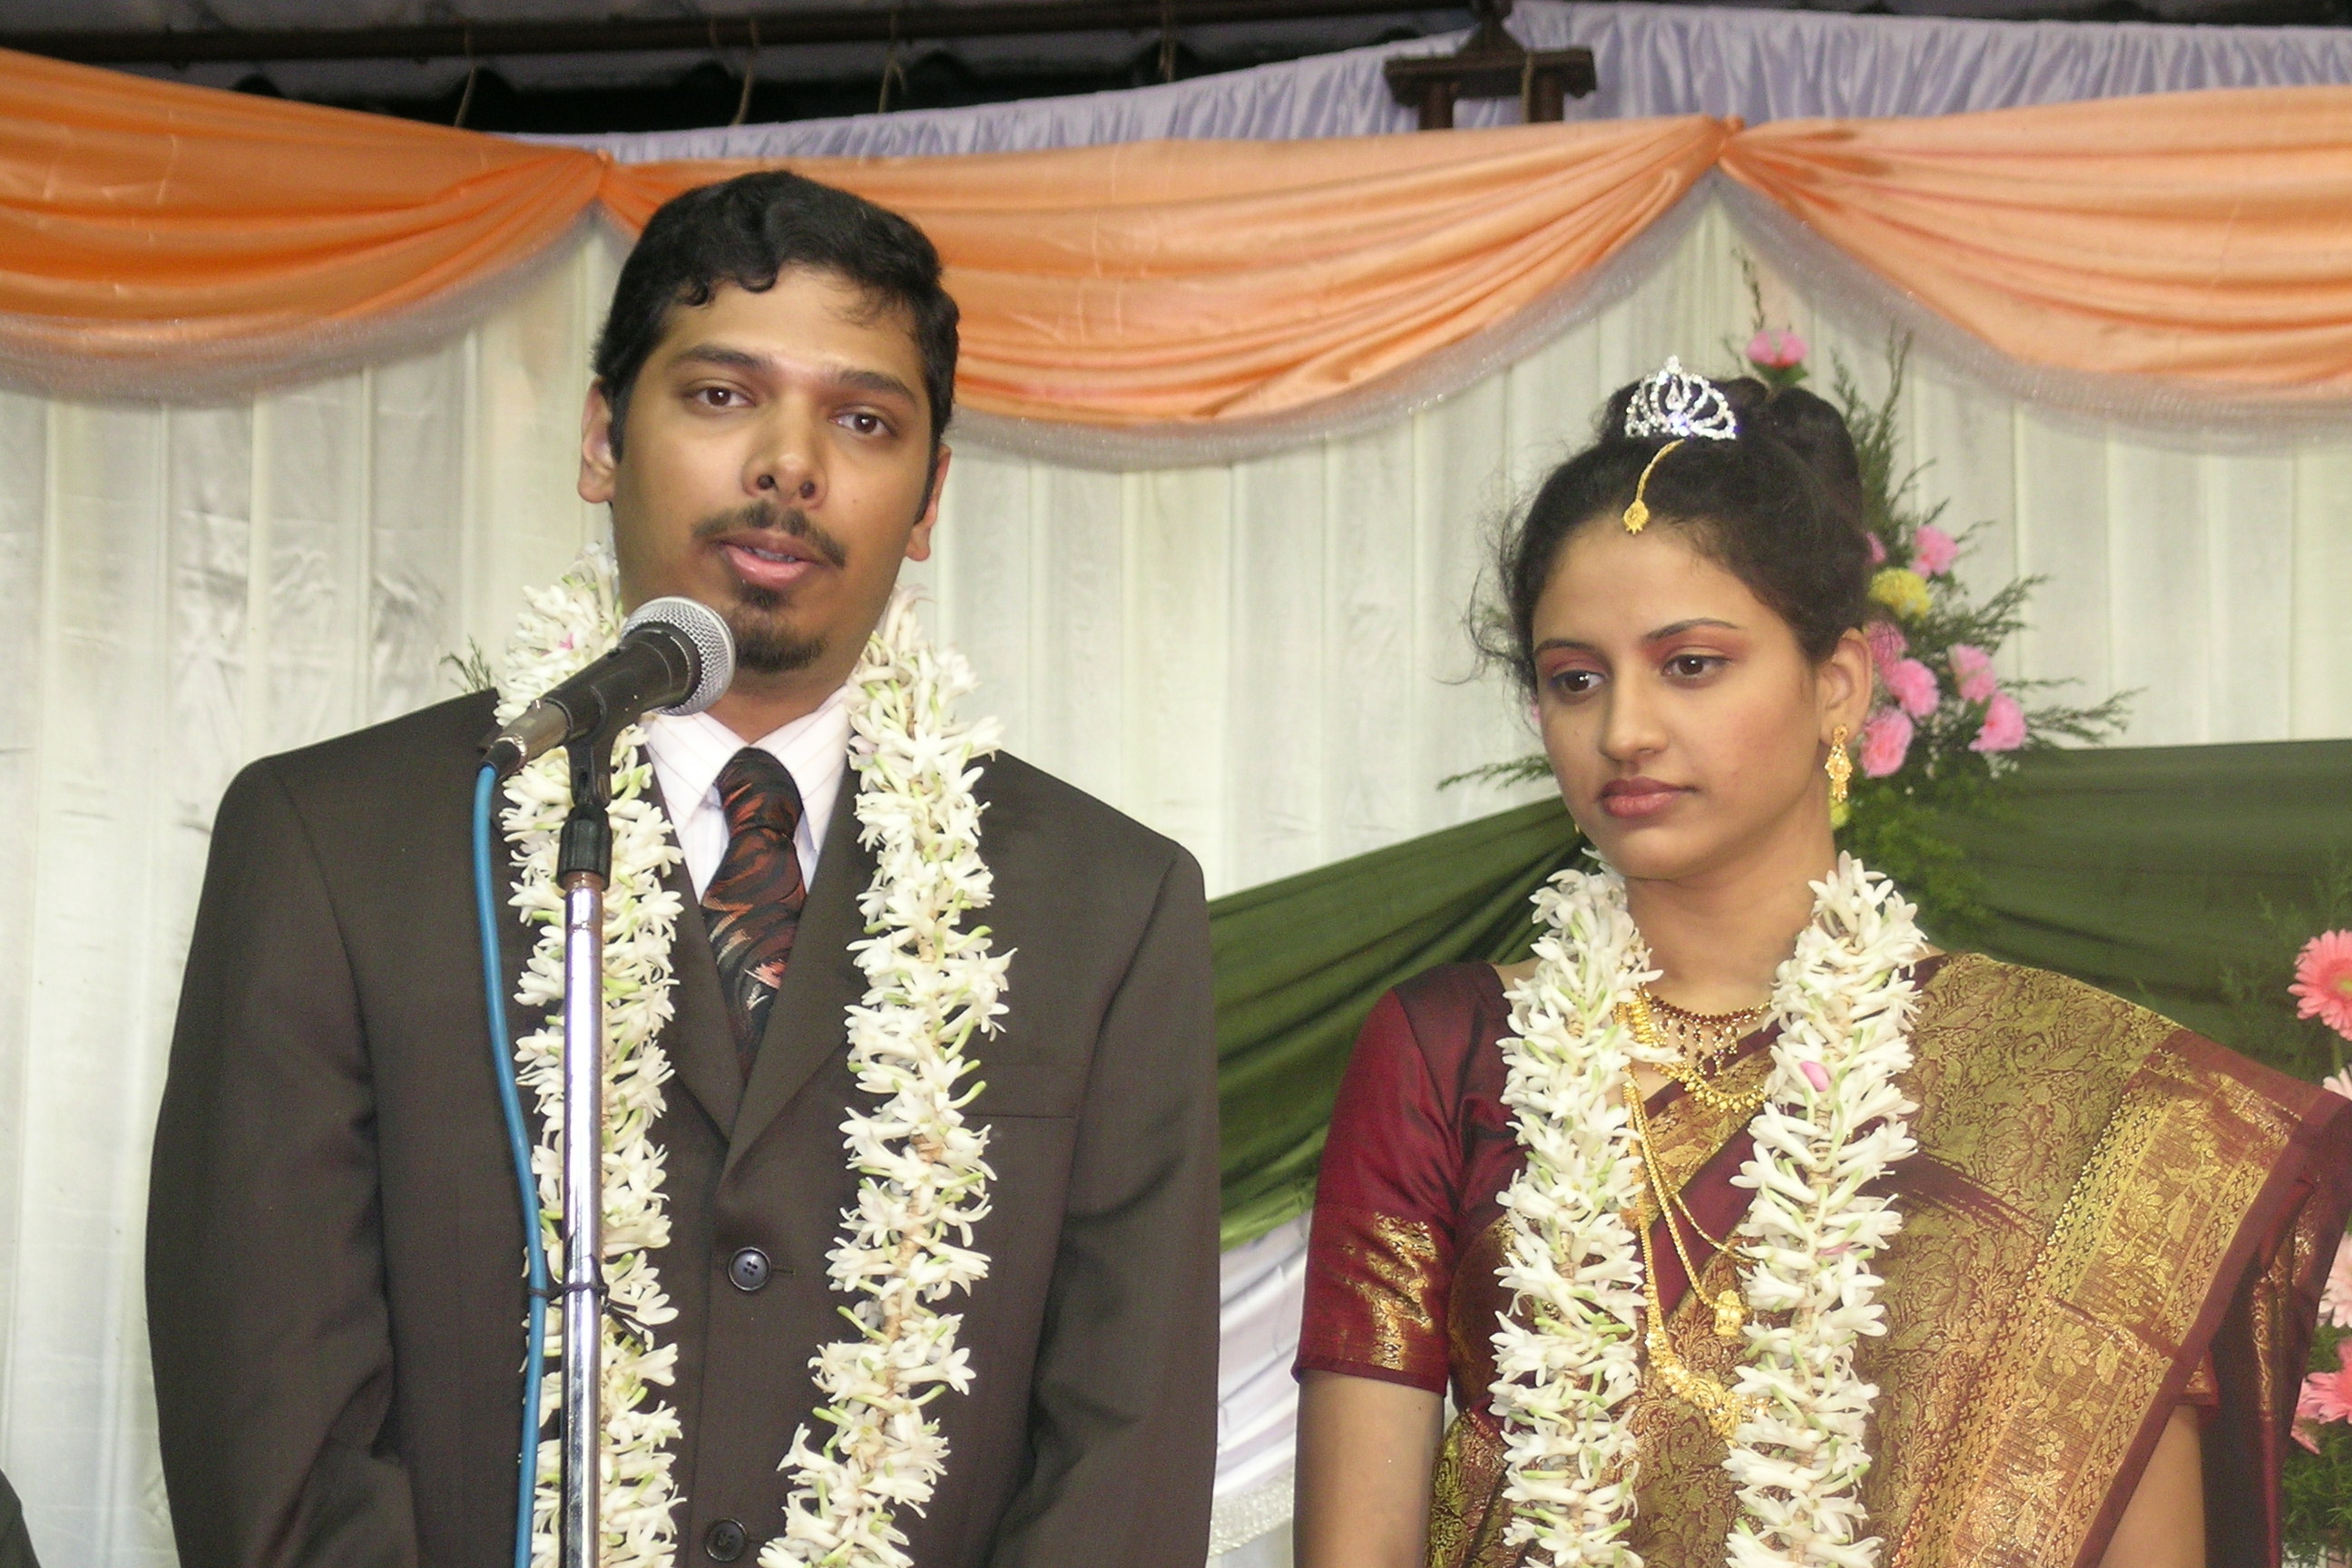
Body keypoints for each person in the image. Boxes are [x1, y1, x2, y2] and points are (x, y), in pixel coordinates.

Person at [147, 171, 1220, 1568]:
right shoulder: (335, 848)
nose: (789, 464)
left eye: (864, 420)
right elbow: (273, 1446)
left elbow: (1125, 1467)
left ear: (931, 496)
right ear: (603, 438)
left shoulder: (1107, 909)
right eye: (721, 396)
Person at [1291, 359, 2352, 1568]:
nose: (1624, 729)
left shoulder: (2063, 1091)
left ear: (1837, 686)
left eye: (1691, 664)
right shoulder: (1448, 1051)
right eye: (1574, 679)